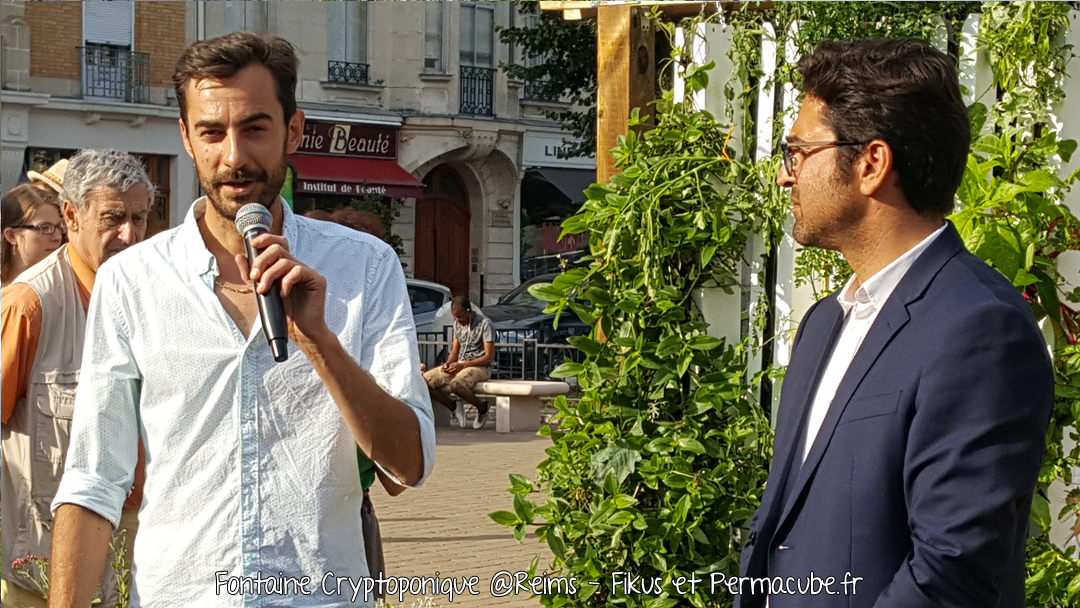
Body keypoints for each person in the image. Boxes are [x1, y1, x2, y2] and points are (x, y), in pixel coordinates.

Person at [48, 32, 434, 608]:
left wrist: (318, 341)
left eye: (254, 128)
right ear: (186, 137)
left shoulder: (364, 266)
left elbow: (409, 466)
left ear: (293, 131)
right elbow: (94, 478)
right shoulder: (132, 280)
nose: (233, 157)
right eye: (211, 132)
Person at [736, 38, 1054, 608]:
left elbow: (952, 571)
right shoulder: (824, 323)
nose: (785, 177)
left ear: (871, 164)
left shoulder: (980, 330)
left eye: (797, 152)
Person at [0, 149, 153, 608]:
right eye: (113, 218)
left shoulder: (155, 294)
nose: (129, 234)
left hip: (141, 559)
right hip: (45, 566)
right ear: (71, 216)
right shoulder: (29, 304)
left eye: (139, 218)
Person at [423, 296, 495, 429]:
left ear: (469, 311)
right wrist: (448, 363)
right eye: (455, 317)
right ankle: (453, 406)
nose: (458, 320)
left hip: (481, 366)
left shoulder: (485, 324)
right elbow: (455, 351)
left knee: (456, 385)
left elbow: (489, 357)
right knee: (424, 381)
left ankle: (483, 408)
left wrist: (463, 365)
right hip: (461, 363)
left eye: (460, 316)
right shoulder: (457, 324)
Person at [1, 185, 64, 288]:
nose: (58, 237)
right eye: (45, 228)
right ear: (12, 236)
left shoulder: (62, 288)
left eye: (58, 227)